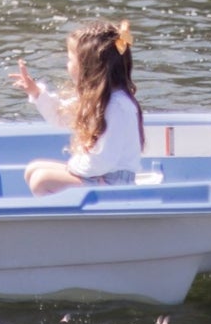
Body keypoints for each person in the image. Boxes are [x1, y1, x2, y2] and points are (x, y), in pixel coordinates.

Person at [10, 19, 145, 196]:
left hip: (115, 183)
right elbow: (60, 116)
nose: (67, 65)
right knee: (33, 169)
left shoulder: (118, 107)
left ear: (90, 67)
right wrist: (36, 93)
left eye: (70, 59)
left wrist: (74, 165)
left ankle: (68, 223)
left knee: (42, 181)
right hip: (99, 175)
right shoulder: (96, 98)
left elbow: (105, 160)